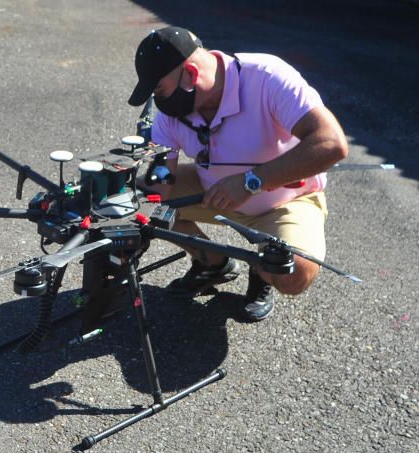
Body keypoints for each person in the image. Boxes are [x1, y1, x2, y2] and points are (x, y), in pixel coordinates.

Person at [127, 26, 348, 321]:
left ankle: (262, 268)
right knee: (138, 200)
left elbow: (331, 143)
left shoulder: (267, 77)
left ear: (190, 75)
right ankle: (213, 262)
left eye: (159, 91)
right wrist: (129, 197)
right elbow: (160, 189)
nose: (160, 103)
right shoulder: (171, 113)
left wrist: (251, 182)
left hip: (286, 200)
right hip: (213, 190)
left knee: (292, 272)